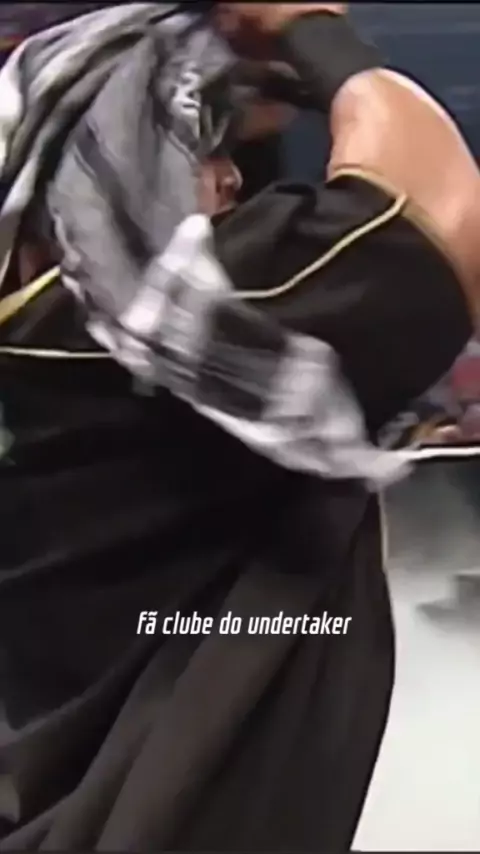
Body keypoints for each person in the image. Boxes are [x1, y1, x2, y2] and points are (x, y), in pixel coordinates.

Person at [0, 3, 478, 851]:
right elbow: (443, 210)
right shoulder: (146, 341)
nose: (228, 182)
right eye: (196, 151)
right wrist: (313, 34)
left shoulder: (39, 357)